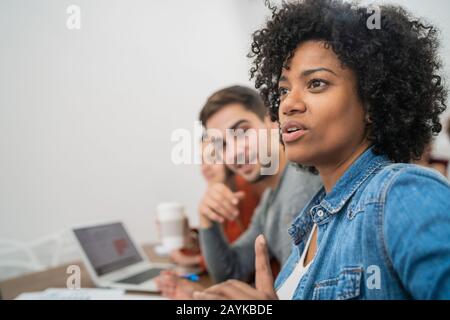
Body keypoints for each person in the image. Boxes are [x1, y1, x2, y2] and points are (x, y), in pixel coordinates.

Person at [194, 0, 450, 300]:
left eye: (316, 83)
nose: (288, 104)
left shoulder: (400, 192)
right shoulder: (314, 220)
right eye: (284, 90)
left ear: (372, 101)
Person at [159, 85, 322, 299]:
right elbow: (230, 270)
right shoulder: (269, 200)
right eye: (222, 145)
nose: (234, 153)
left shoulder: (302, 183)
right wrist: (207, 219)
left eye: (243, 132)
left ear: (273, 121)